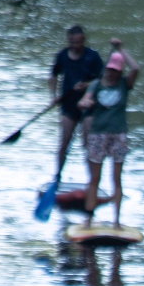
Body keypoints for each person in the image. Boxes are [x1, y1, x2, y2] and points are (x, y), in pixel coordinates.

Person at [78, 41, 139, 225]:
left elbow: (135, 68)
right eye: (110, 69)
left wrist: (121, 49)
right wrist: (85, 103)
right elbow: (83, 101)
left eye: (116, 70)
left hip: (118, 135)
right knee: (94, 178)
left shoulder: (124, 85)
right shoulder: (96, 85)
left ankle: (117, 221)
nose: (112, 73)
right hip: (98, 135)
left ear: (120, 71)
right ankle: (89, 218)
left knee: (116, 179)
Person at [48, 25, 105, 181]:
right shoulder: (62, 56)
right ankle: (57, 177)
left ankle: (92, 181)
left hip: (89, 106)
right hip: (68, 104)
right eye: (72, 43)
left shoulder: (92, 56)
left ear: (83, 40)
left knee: (88, 143)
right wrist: (54, 96)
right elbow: (53, 75)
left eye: (78, 43)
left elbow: (102, 79)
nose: (75, 46)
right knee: (64, 141)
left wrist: (87, 85)